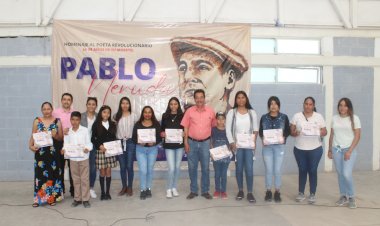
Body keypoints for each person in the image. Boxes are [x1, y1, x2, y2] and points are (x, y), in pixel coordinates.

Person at [170, 37, 249, 113]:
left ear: (229, 79)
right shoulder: (181, 119)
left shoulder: (233, 117)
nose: (187, 76)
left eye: (202, 67)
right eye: (183, 68)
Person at [290, 97, 327, 204]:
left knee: (312, 170)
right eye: (306, 104)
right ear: (303, 104)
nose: (308, 106)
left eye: (310, 104)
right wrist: (294, 132)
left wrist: (320, 132)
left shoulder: (318, 116)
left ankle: (312, 193)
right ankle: (301, 192)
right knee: (302, 170)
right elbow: (291, 130)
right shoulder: (297, 116)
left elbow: (325, 131)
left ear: (314, 105)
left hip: (315, 149)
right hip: (299, 149)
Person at [181, 89, 216, 200]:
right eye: (197, 97)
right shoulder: (189, 111)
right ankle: (193, 191)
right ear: (194, 99)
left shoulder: (211, 111)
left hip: (206, 143)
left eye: (201, 97)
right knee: (192, 168)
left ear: (204, 98)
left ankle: (205, 191)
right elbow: (185, 127)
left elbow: (213, 128)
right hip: (192, 142)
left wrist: (212, 144)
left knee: (205, 168)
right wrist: (185, 142)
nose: (199, 99)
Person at [226, 91, 258, 203]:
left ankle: (250, 192)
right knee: (239, 169)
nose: (240, 100)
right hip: (237, 146)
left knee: (249, 169)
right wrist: (232, 142)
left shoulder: (252, 112)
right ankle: (240, 190)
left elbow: (255, 130)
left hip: (249, 146)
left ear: (246, 99)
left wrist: (253, 143)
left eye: (243, 97)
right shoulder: (231, 112)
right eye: (238, 98)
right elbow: (228, 130)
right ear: (236, 100)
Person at [328, 98, 361, 209]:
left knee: (346, 173)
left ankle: (351, 196)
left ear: (349, 107)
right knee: (340, 173)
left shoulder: (355, 119)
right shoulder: (334, 118)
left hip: (349, 149)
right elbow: (332, 135)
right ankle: (343, 196)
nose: (342, 108)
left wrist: (350, 151)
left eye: (345, 105)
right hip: (336, 149)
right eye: (341, 105)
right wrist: (329, 149)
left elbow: (357, 136)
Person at [29, 102, 64, 207]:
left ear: (52, 109)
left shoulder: (57, 121)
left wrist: (56, 135)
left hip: (53, 154)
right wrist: (30, 146)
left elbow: (61, 138)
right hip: (40, 155)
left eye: (48, 109)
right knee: (40, 176)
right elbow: (33, 136)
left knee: (52, 175)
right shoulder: (37, 121)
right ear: (41, 110)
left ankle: (51, 198)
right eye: (44, 109)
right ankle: (38, 199)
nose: (46, 111)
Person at [259, 96, 290, 203]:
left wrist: (283, 137)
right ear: (268, 106)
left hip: (279, 147)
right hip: (267, 147)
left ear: (279, 106)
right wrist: (264, 139)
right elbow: (260, 132)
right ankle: (268, 191)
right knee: (269, 169)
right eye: (271, 104)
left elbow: (287, 131)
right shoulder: (263, 117)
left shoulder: (284, 117)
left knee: (277, 170)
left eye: (275, 104)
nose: (273, 106)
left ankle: (277, 191)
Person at [62, 111, 93, 208]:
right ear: (70, 120)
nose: (74, 122)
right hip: (73, 159)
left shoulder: (85, 130)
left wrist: (87, 148)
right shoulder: (68, 132)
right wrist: (63, 150)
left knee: (84, 179)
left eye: (77, 120)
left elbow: (89, 143)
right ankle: (77, 199)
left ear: (80, 120)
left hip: (83, 158)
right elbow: (66, 144)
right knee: (75, 179)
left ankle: (86, 199)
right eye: (73, 119)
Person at [132, 106, 162, 200]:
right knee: (143, 170)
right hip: (140, 150)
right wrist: (139, 141)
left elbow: (160, 138)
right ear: (142, 113)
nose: (147, 114)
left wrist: (154, 142)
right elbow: (133, 138)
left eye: (149, 112)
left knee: (149, 170)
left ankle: (148, 188)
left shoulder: (156, 124)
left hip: (152, 150)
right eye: (145, 112)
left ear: (152, 113)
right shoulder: (137, 124)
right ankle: (142, 189)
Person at [91, 105, 118, 201]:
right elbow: (93, 138)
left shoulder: (113, 124)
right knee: (102, 171)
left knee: (108, 171)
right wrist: (99, 146)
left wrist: (115, 146)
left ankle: (108, 192)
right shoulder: (96, 124)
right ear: (101, 113)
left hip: (110, 151)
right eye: (104, 112)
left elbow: (114, 137)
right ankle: (102, 193)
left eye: (108, 112)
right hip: (101, 151)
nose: (106, 114)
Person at [161, 97, 184, 198]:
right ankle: (168, 188)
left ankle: (174, 187)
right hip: (169, 145)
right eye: (171, 104)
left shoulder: (182, 116)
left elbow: (186, 129)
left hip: (179, 145)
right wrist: (162, 134)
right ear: (169, 105)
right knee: (171, 168)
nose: (173, 106)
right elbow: (161, 130)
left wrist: (184, 133)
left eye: (175, 104)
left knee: (177, 167)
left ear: (178, 105)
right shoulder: (165, 116)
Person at [114, 97, 137, 197]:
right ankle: (124, 187)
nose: (125, 105)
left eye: (127, 103)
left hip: (131, 142)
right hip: (119, 142)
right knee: (122, 166)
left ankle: (130, 187)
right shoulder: (116, 116)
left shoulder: (134, 116)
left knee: (129, 166)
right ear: (120, 104)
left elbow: (137, 130)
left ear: (129, 105)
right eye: (123, 103)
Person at [53, 93, 74, 196]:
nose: (66, 101)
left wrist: (69, 131)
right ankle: (60, 190)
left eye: (68, 99)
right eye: (64, 99)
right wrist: (60, 132)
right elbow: (51, 127)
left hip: (71, 143)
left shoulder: (74, 113)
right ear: (61, 101)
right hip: (59, 143)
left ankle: (73, 190)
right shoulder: (55, 113)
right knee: (59, 167)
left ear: (71, 101)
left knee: (72, 168)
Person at [80, 97, 98, 199]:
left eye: (93, 104)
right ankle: (83, 189)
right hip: (82, 146)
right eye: (89, 104)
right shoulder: (81, 116)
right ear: (86, 105)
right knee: (82, 168)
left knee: (92, 168)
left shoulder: (98, 116)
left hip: (94, 146)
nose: (91, 106)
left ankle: (90, 188)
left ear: (96, 106)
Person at [211, 112, 231, 199]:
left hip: (226, 157)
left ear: (225, 120)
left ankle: (223, 191)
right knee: (217, 173)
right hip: (216, 156)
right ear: (216, 120)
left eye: (222, 119)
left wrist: (229, 150)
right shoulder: (213, 130)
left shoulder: (228, 130)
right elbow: (211, 142)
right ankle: (217, 190)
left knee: (223, 174)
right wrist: (212, 153)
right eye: (219, 119)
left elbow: (231, 142)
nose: (221, 120)